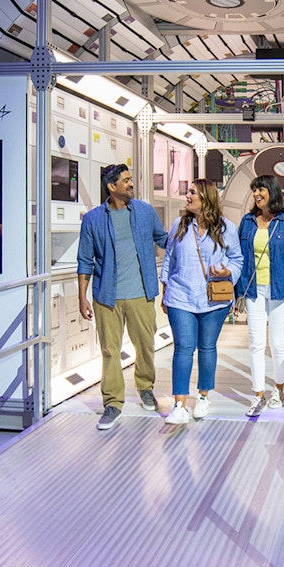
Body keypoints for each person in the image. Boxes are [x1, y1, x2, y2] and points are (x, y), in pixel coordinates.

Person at [77, 163, 168, 430]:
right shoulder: (93, 219)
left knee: (146, 345)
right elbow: (85, 260)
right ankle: (113, 403)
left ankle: (145, 387)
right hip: (107, 297)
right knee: (110, 351)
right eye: (126, 180)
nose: (131, 184)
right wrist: (82, 297)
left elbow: (164, 239)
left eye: (131, 179)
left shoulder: (145, 211)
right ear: (111, 186)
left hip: (141, 293)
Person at [159, 179, 243, 425]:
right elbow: (169, 258)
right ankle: (179, 405)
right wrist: (165, 289)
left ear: (206, 198)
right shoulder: (179, 225)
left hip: (213, 301)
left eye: (192, 192)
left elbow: (237, 259)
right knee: (183, 347)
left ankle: (203, 396)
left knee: (207, 347)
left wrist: (226, 271)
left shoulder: (227, 228)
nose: (187, 196)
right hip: (180, 297)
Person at [235, 174, 284, 417]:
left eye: (261, 189)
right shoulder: (247, 222)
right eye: (254, 190)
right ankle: (258, 394)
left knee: (277, 343)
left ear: (271, 192)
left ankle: (280, 387)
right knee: (256, 343)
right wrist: (238, 292)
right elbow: (239, 258)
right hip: (253, 291)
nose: (256, 194)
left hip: (280, 290)